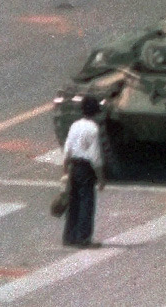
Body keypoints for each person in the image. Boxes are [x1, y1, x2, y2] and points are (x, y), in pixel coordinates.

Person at [61, 95, 107, 248]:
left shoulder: (75, 125)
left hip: (74, 165)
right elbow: (95, 156)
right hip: (86, 168)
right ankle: (83, 238)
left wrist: (66, 168)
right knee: (87, 202)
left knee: (73, 202)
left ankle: (69, 236)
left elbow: (67, 147)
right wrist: (100, 178)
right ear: (95, 112)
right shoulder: (93, 128)